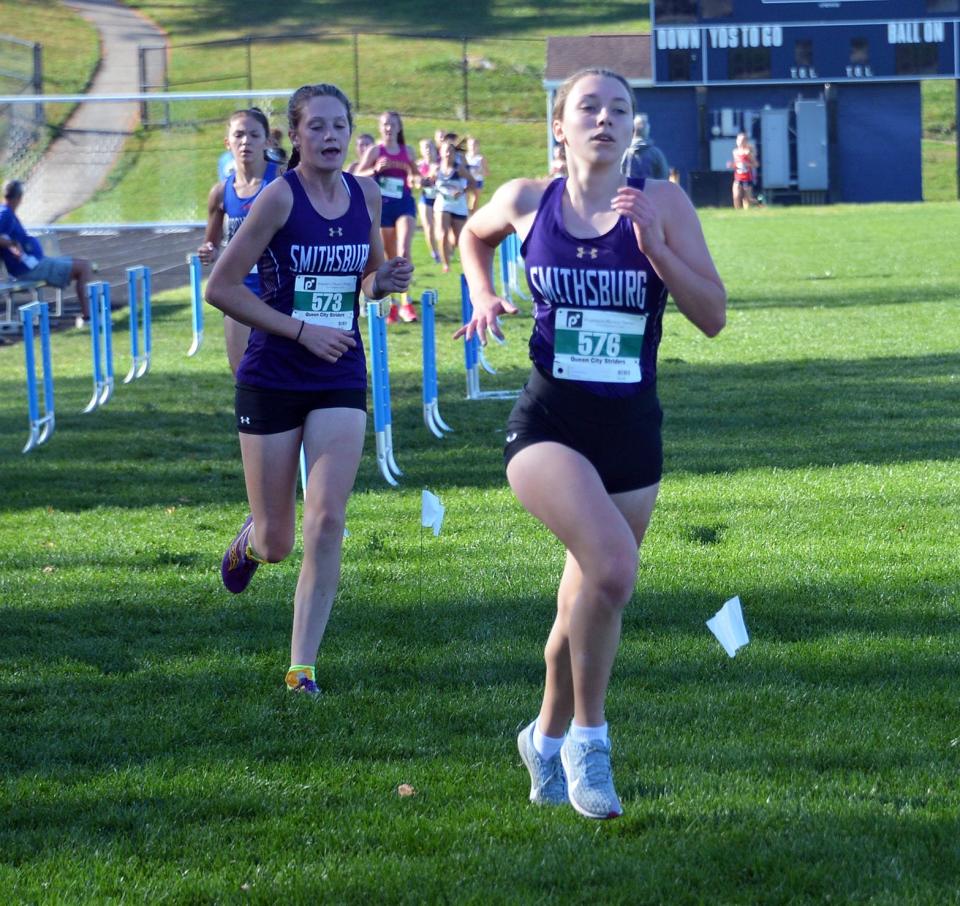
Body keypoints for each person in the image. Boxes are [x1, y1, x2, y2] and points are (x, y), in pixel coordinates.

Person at [455, 68, 726, 819]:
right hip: (549, 423)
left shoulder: (663, 201)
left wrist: (657, 249)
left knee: (589, 597)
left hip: (632, 432)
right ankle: (588, 742)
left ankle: (539, 738)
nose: (605, 119)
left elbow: (714, 315)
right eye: (588, 108)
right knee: (613, 567)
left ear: (633, 126)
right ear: (560, 125)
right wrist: (481, 293)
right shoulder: (525, 200)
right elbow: (474, 239)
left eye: (619, 109)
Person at [204, 83, 413, 696]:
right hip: (272, 373)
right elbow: (222, 287)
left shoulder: (365, 193)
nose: (328, 137)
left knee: (326, 520)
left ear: (351, 132)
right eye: (315, 127)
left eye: (338, 126)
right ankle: (252, 539)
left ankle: (301, 669)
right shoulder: (276, 199)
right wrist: (301, 331)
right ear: (292, 137)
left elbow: (366, 280)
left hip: (340, 370)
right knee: (278, 542)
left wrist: (384, 281)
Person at [198, 108, 281, 376]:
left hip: (279, 290)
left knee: (283, 372)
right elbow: (212, 241)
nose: (246, 141)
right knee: (243, 372)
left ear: (267, 141)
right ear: (228, 143)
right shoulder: (220, 192)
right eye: (239, 135)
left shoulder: (282, 180)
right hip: (238, 290)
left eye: (254, 135)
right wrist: (208, 251)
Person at [0, 179, 94, 329]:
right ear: (19, 198)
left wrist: (13, 246)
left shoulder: (6, 213)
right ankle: (88, 318)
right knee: (84, 268)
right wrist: (12, 245)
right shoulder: (5, 214)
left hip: (33, 264)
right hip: (30, 268)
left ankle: (89, 316)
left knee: (83, 264)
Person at [356, 112, 418, 323]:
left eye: (392, 124)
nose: (389, 128)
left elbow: (417, 174)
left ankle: (406, 303)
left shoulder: (406, 151)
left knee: (403, 251)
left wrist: (418, 178)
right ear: (380, 128)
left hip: (403, 204)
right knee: (389, 257)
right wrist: (374, 169)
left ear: (399, 128)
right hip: (382, 207)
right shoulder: (375, 150)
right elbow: (358, 174)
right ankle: (391, 305)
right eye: (385, 125)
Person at [431, 138, 473, 274]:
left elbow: (472, 182)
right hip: (442, 204)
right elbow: (428, 183)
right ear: (440, 153)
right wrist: (425, 183)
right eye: (445, 151)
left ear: (454, 153)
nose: (448, 154)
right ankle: (446, 264)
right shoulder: (436, 168)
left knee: (458, 239)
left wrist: (461, 191)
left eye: (450, 151)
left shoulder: (458, 168)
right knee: (442, 234)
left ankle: (462, 259)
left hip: (458, 204)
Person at [621, 113, 669, 181]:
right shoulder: (656, 154)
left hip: (629, 190)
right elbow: (664, 175)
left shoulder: (623, 153)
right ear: (646, 129)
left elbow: (618, 175)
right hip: (651, 190)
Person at [415, 138, 441, 262]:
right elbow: (416, 183)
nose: (428, 150)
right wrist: (426, 178)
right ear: (421, 151)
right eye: (425, 147)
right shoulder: (419, 165)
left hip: (440, 198)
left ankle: (444, 251)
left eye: (430, 146)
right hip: (426, 198)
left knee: (440, 228)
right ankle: (434, 253)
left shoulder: (441, 163)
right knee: (429, 228)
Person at [729, 131, 759, 209]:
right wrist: (732, 165)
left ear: (745, 142)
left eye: (742, 141)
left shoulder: (748, 152)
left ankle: (759, 203)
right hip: (738, 177)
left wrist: (748, 164)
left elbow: (756, 164)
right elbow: (737, 164)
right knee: (736, 196)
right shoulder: (735, 152)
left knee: (747, 199)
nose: (740, 142)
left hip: (747, 177)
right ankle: (737, 213)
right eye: (739, 140)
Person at [464, 135, 489, 214]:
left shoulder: (480, 158)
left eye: (475, 144)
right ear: (467, 146)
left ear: (478, 146)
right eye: (471, 145)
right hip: (466, 181)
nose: (473, 147)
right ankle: (464, 217)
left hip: (477, 181)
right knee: (465, 201)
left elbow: (487, 173)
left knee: (474, 202)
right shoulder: (464, 157)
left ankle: (472, 217)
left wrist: (480, 171)